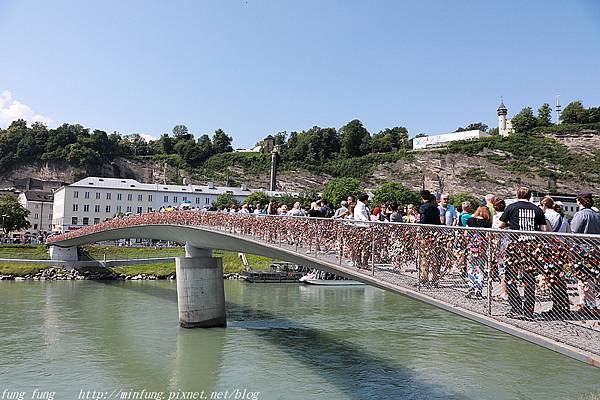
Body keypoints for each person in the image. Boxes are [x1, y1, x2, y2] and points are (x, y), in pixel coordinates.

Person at [499, 187, 551, 319]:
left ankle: (516, 308)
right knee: (529, 279)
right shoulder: (537, 209)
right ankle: (528, 311)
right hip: (531, 247)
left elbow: (500, 225)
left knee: (510, 277)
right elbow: (544, 230)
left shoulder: (511, 207)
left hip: (515, 246)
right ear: (529, 196)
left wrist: (512, 224)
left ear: (517, 195)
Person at [570, 192, 600, 317]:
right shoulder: (597, 215)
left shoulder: (580, 215)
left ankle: (586, 303)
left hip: (582, 249)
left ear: (579, 201)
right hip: (595, 248)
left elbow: (574, 232)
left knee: (582, 277)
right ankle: (591, 303)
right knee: (592, 276)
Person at [465, 206, 493, 298]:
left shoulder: (470, 220)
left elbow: (466, 233)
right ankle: (479, 289)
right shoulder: (487, 222)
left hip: (471, 246)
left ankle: (471, 286)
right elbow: (488, 236)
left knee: (471, 267)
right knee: (480, 268)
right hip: (481, 248)